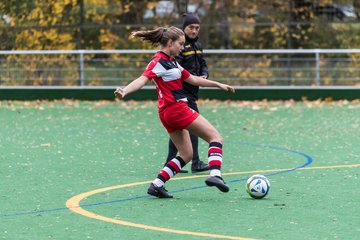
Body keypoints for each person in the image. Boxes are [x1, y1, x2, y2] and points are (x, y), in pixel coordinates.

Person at [114, 26, 235, 198]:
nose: (182, 47)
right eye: (180, 44)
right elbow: (142, 79)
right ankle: (215, 175)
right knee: (215, 137)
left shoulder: (171, 61)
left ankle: (157, 185)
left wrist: (218, 84)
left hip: (167, 113)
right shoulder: (158, 61)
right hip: (177, 109)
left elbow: (192, 79)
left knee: (186, 154)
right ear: (170, 43)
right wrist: (125, 91)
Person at [164, 13, 209, 174]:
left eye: (197, 28)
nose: (194, 31)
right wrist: (193, 79)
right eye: (191, 27)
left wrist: (204, 74)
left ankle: (170, 161)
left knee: (178, 128)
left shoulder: (198, 45)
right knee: (193, 127)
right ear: (184, 28)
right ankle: (195, 162)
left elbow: (203, 63)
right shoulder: (180, 47)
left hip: (192, 91)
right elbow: (177, 70)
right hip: (182, 93)